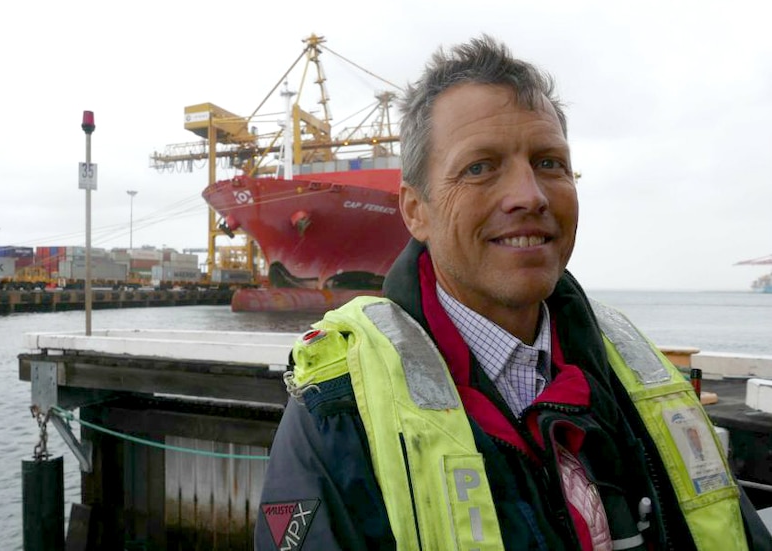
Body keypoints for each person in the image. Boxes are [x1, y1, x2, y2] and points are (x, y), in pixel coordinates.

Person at [255, 34, 772, 551]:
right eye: (480, 167)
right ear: (415, 211)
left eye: (549, 163)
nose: (530, 195)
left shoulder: (639, 376)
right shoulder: (338, 412)